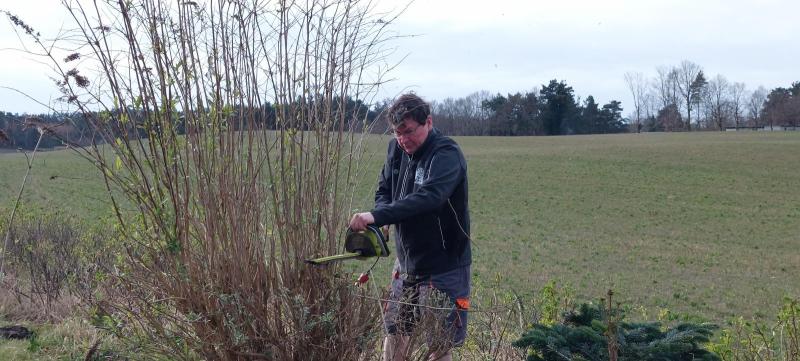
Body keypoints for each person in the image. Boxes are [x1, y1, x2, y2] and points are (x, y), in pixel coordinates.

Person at [349, 93, 471, 361]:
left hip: (444, 267)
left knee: (437, 346)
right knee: (394, 334)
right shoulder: (396, 150)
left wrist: (376, 216)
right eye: (396, 132)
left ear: (428, 121)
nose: (403, 139)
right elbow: (385, 190)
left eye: (408, 131)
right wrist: (382, 217)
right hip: (406, 267)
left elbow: (429, 198)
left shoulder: (446, 154)